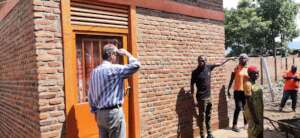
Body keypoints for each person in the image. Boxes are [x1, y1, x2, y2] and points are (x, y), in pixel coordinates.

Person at [88, 44, 141, 138]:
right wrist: (127, 54)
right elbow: (136, 65)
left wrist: (95, 112)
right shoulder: (114, 69)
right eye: (116, 54)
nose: (117, 57)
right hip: (113, 113)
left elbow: (91, 95)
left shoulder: (94, 72)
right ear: (111, 54)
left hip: (100, 114)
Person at [191, 56, 236, 138]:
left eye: (203, 61)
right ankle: (202, 135)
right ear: (198, 61)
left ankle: (209, 134)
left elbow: (219, 63)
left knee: (208, 116)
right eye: (200, 61)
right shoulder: (195, 72)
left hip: (209, 97)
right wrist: (193, 99)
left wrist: (229, 59)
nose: (202, 62)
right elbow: (192, 86)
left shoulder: (208, 67)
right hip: (201, 98)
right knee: (202, 118)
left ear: (206, 61)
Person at [227, 53, 249, 132]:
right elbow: (232, 79)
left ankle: (246, 124)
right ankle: (234, 125)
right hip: (237, 91)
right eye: (241, 58)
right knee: (238, 108)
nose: (242, 59)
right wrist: (228, 89)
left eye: (244, 58)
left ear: (247, 59)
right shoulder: (236, 68)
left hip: (246, 91)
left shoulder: (248, 69)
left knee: (245, 108)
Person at [244, 66, 264, 138]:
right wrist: (254, 116)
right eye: (254, 73)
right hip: (252, 112)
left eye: (257, 73)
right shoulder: (248, 84)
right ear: (249, 74)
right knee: (253, 130)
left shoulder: (255, 84)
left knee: (259, 128)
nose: (256, 75)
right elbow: (249, 102)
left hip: (259, 111)